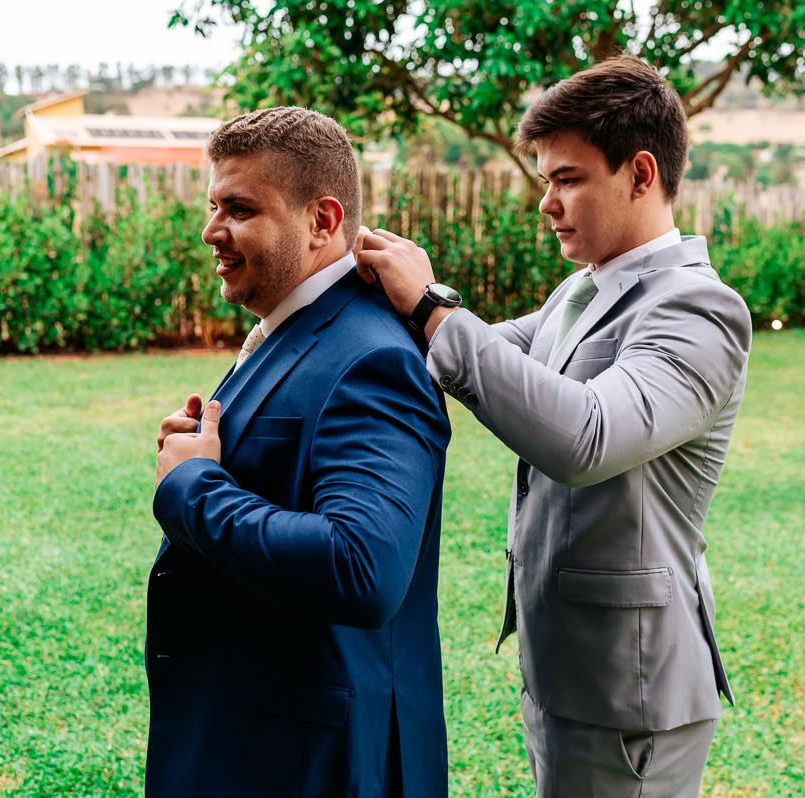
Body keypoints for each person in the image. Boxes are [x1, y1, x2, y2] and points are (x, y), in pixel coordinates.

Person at [356, 55, 752, 797]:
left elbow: (585, 438)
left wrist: (431, 305)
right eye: (546, 180)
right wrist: (372, 303)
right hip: (568, 668)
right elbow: (490, 355)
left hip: (630, 690)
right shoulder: (583, 287)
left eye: (567, 179)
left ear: (640, 174)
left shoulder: (699, 309)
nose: (547, 203)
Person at [150, 106, 451, 798]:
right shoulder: (294, 327)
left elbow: (361, 566)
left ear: (322, 221)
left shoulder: (372, 356)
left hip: (315, 763)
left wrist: (194, 487)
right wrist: (206, 452)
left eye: (240, 209)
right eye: (213, 205)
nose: (211, 231)